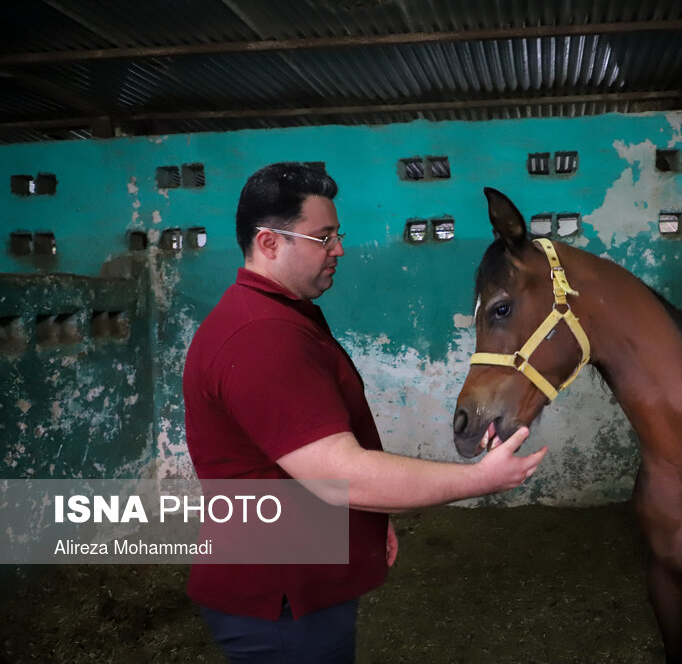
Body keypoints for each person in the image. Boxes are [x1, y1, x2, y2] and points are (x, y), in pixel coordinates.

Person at [182, 162, 547, 663]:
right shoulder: (261, 337)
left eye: (337, 234)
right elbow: (342, 472)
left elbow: (311, 470)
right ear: (269, 244)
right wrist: (481, 479)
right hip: (282, 600)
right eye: (322, 236)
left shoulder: (276, 316)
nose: (339, 249)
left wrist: (369, 522)